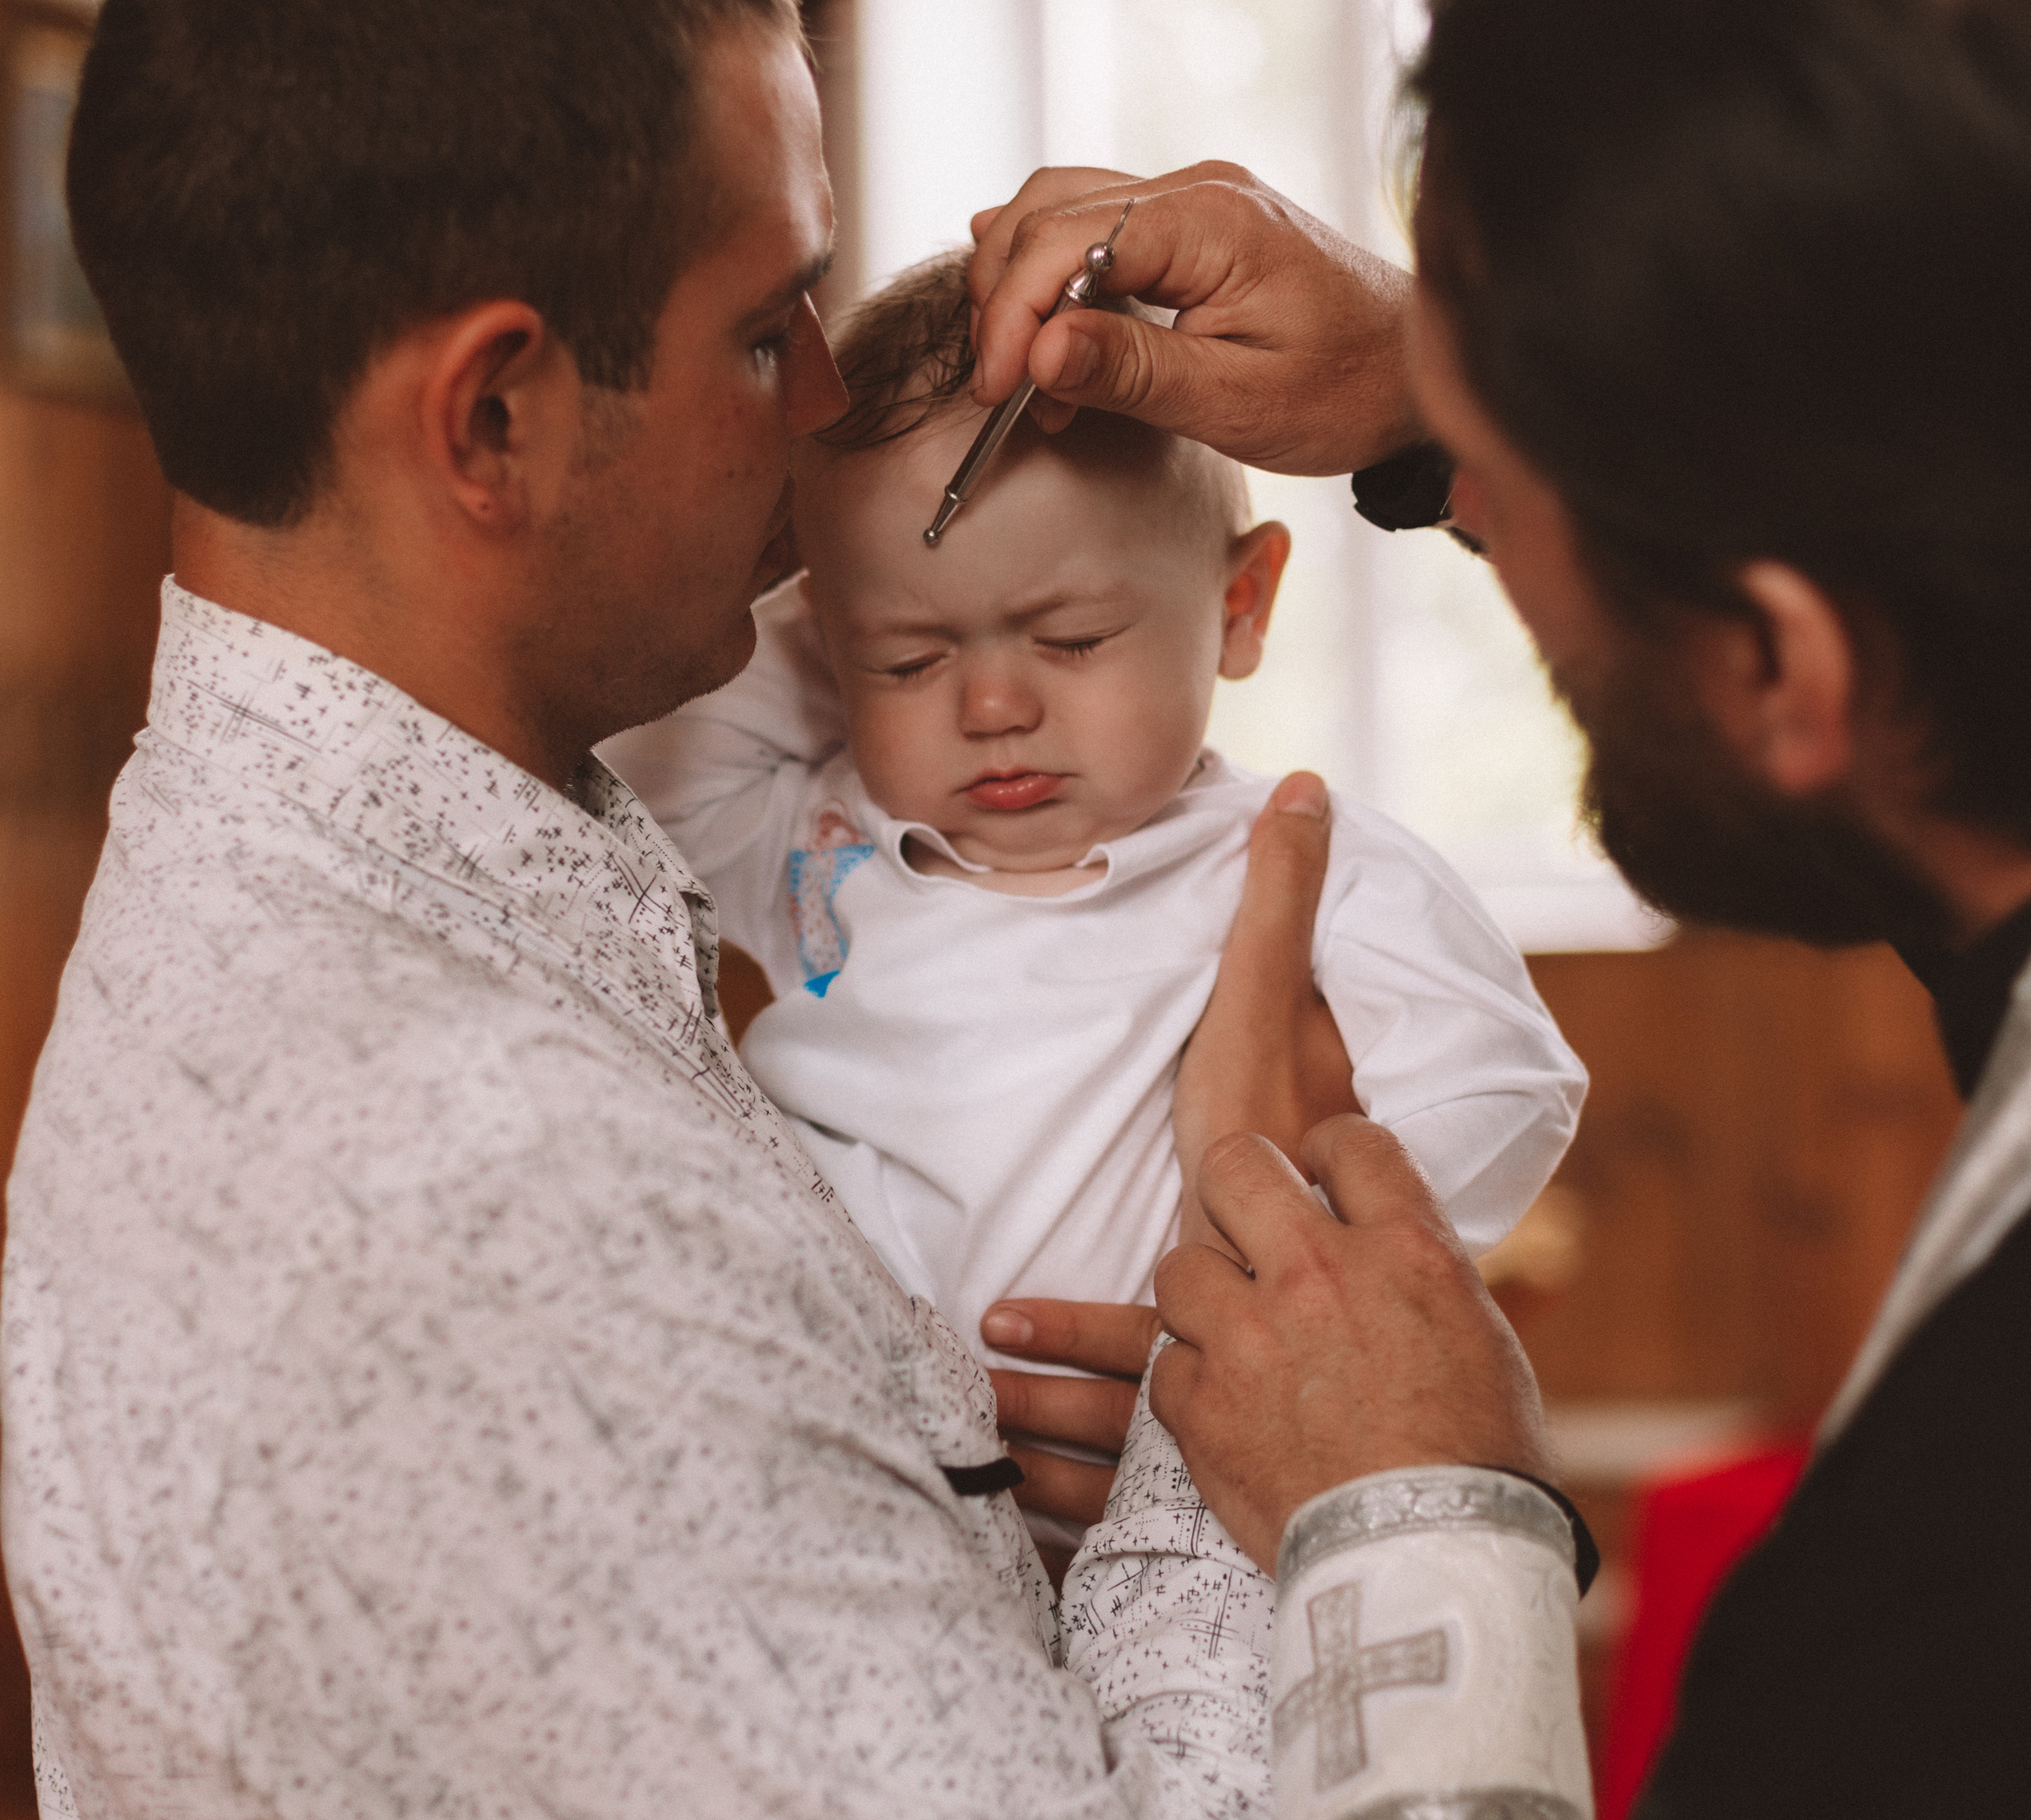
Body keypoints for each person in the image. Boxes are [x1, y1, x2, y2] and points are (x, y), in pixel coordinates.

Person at [0, 0, 1475, 1820]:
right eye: (770, 326)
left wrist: (1413, 388)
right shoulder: (484, 1192)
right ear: (493, 416)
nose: (821, 408)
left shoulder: (367, 872)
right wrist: (1287, 1449)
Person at [964, 0, 2031, 1811]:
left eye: (1490, 480)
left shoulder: (1935, 1618)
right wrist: (1421, 372)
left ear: (1779, 663)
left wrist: (1411, 1512)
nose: (1460, 519)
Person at [598, 251, 1582, 1451]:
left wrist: (1301, 1263)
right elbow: (644, 750)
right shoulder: (815, 834)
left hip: (1191, 1456)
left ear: (1239, 607)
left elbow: (1502, 1085)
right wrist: (831, 587)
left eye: (1069, 640)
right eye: (911, 659)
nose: (993, 706)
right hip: (848, 1456)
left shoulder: (1304, 854)